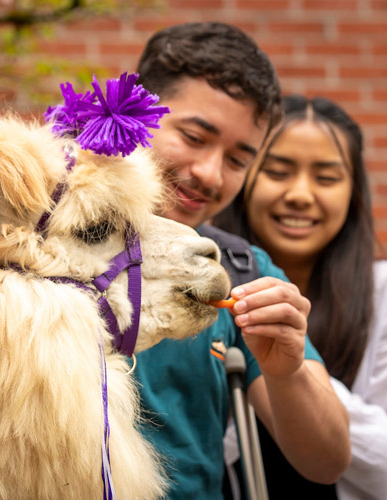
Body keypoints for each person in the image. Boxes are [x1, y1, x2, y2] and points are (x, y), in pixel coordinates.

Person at [132, 22, 351, 500]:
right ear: (137, 110)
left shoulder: (239, 270)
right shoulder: (33, 239)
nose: (210, 173)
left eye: (238, 160)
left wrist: (287, 371)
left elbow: (327, 461)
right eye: (194, 136)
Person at [215, 94, 387, 500]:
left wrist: (296, 369)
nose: (300, 194)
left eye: (326, 178)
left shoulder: (382, 294)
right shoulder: (205, 292)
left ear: (354, 193)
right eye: (277, 172)